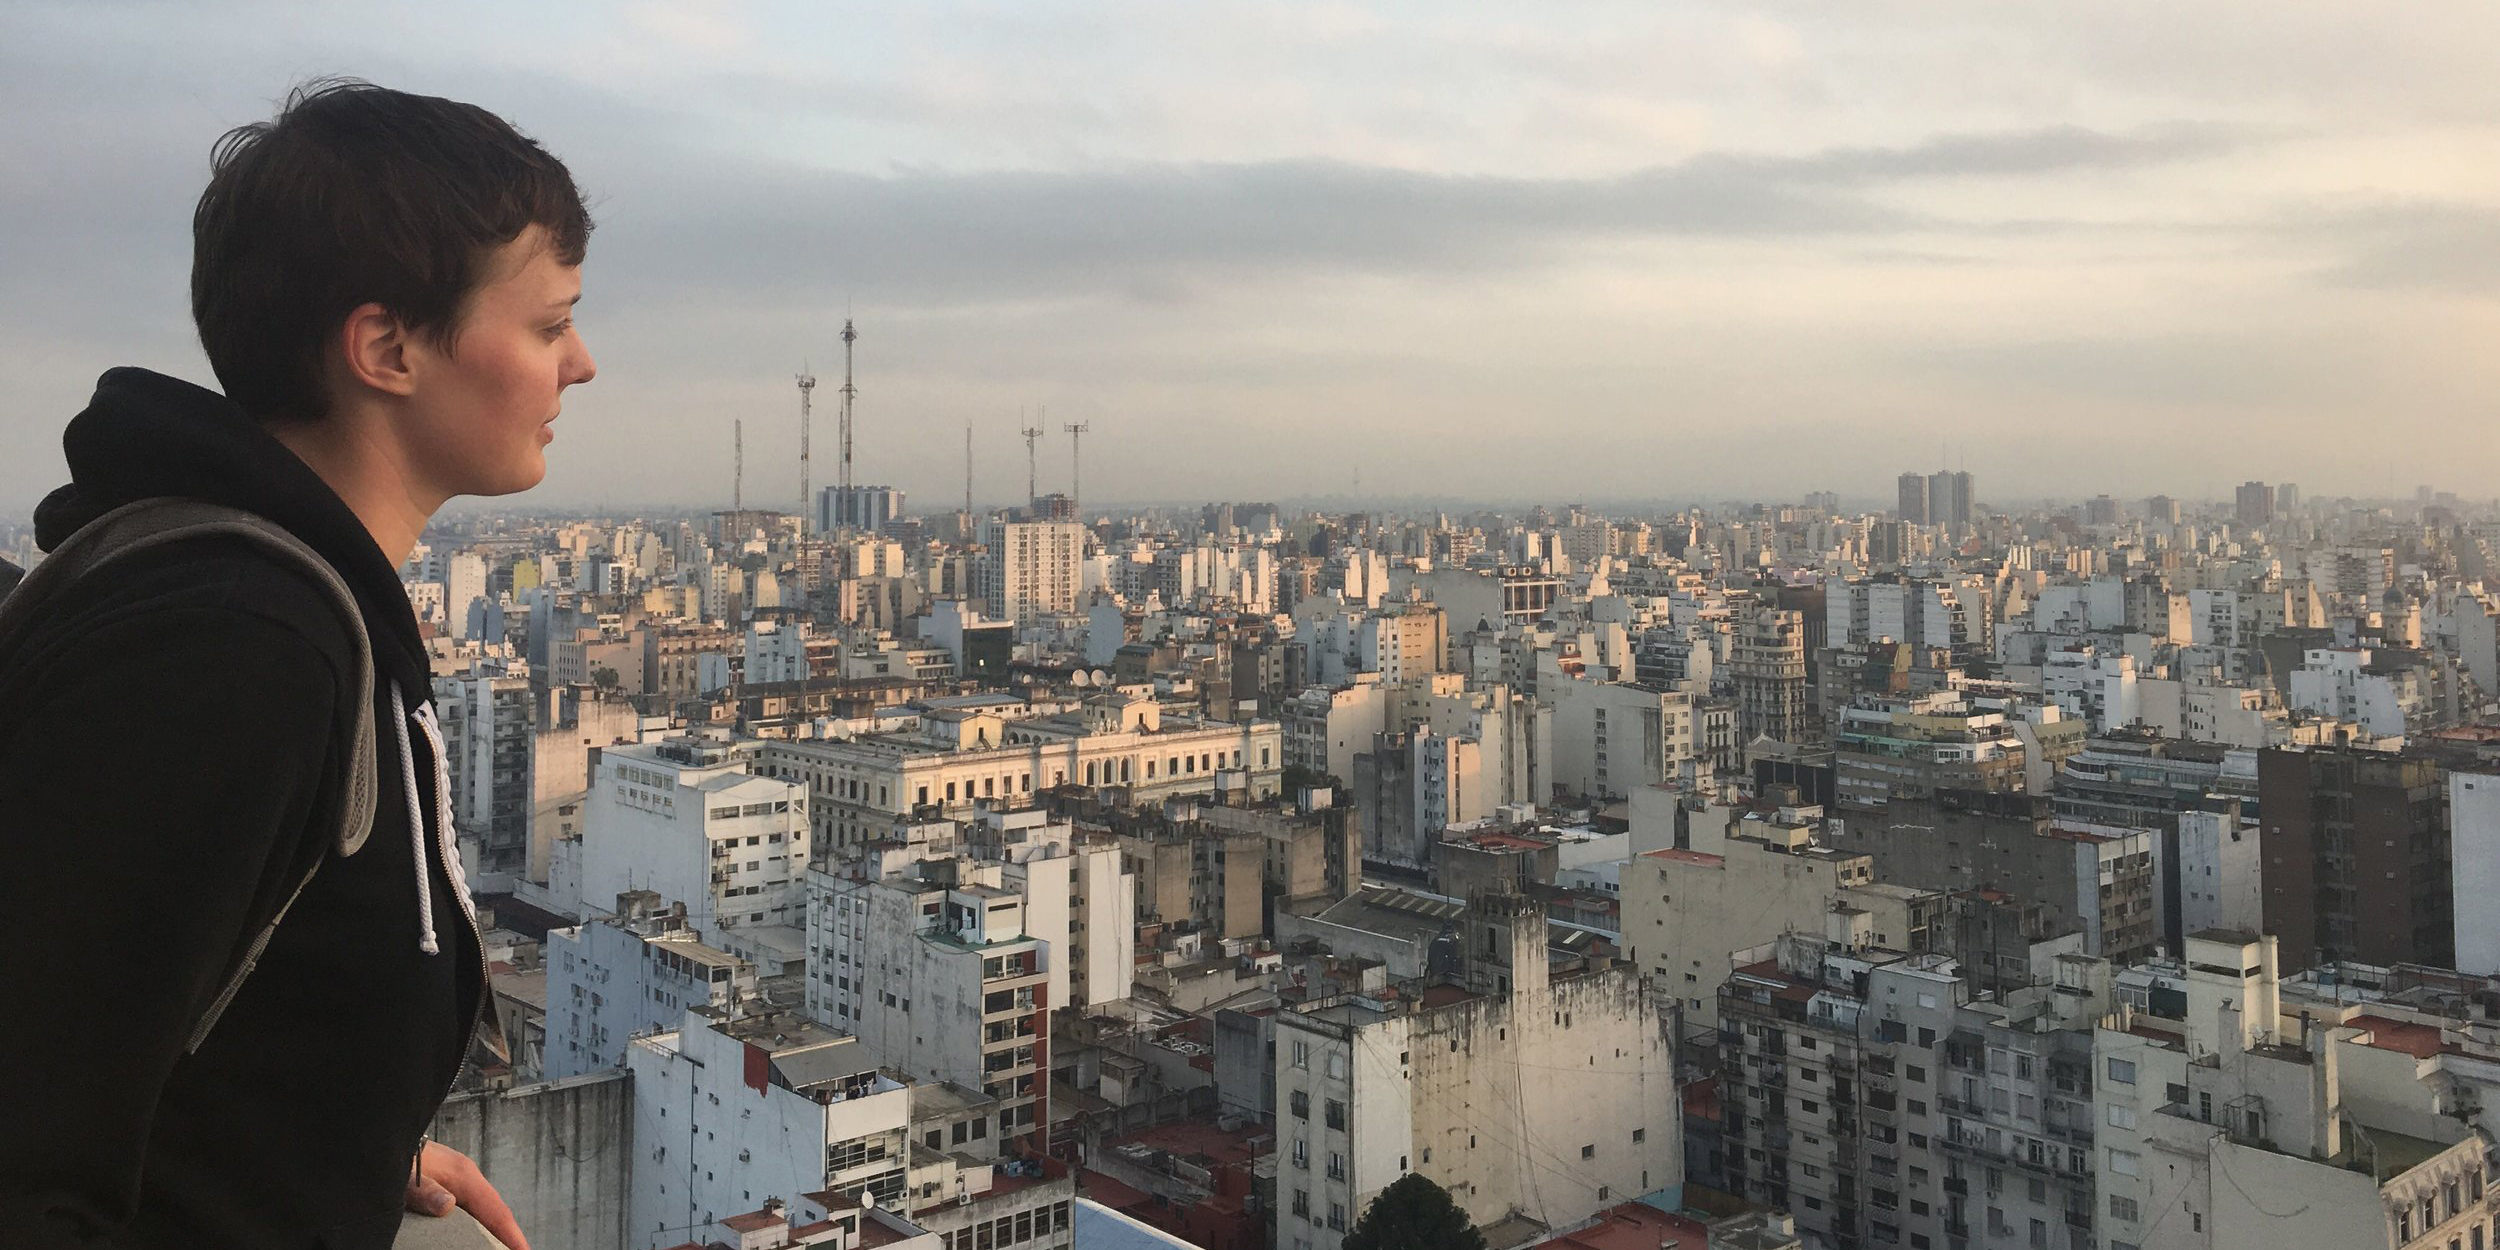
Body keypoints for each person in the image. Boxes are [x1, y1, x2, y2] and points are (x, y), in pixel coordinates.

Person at [0, 79, 596, 1250]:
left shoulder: (291, 602)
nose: (580, 362)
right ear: (384, 347)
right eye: (545, 323)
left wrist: (337, 1145)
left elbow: (192, 1033)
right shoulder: (236, 646)